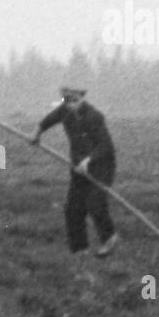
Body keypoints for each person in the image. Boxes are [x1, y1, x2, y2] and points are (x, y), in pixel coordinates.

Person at [30, 87, 119, 259]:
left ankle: (109, 238)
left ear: (81, 98)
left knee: (95, 203)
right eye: (67, 100)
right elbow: (47, 121)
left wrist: (89, 160)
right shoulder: (64, 111)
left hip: (102, 167)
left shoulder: (94, 117)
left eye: (74, 100)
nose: (71, 104)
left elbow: (105, 146)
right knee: (73, 209)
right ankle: (80, 250)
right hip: (78, 167)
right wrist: (36, 134)